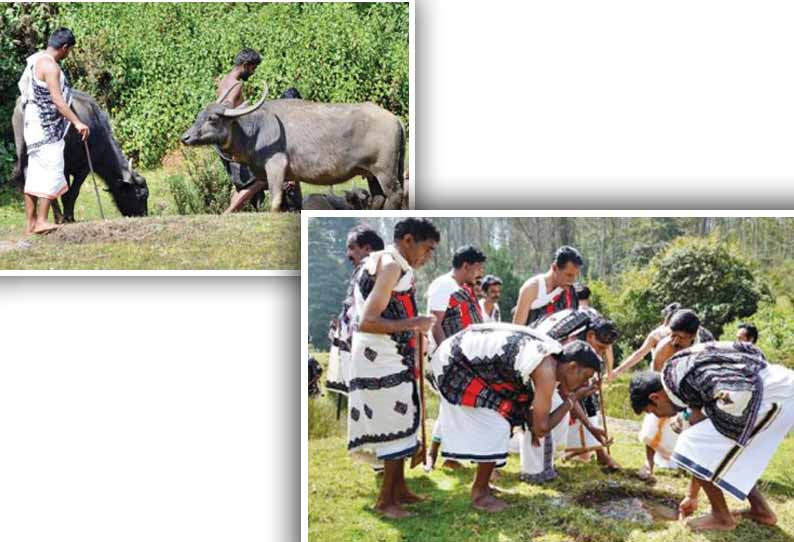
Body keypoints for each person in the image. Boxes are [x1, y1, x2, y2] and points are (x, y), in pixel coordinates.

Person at [430, 323, 601, 512]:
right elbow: (541, 428)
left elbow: (547, 402)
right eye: (585, 377)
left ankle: (484, 485)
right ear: (572, 367)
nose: (585, 383)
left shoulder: (554, 356)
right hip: (455, 362)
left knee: (504, 416)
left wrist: (582, 416)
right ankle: (479, 494)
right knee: (497, 425)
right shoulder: (546, 369)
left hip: (466, 356)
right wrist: (574, 398)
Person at [630, 341, 794, 531]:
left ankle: (722, 517)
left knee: (690, 442)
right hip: (776, 387)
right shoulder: (678, 374)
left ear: (655, 398)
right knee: (708, 445)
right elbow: (747, 349)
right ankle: (761, 511)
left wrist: (700, 417)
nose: (658, 417)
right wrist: (692, 495)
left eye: (651, 411)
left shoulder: (685, 379)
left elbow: (738, 392)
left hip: (773, 396)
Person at [347, 218, 439, 519]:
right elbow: (367, 320)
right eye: (427, 249)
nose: (428, 257)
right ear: (409, 240)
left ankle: (399, 489)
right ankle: (385, 501)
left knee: (402, 417)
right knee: (392, 421)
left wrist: (413, 323)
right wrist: (414, 323)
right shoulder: (390, 266)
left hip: (388, 352)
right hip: (379, 354)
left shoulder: (388, 262)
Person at [518, 310, 620, 482]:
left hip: (542, 386)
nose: (600, 353)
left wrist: (589, 425)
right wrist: (570, 400)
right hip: (529, 382)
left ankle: (545, 466)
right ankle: (534, 472)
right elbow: (566, 397)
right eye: (600, 348)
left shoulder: (573, 360)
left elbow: (567, 393)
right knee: (544, 420)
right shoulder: (564, 348)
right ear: (590, 335)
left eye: (605, 350)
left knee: (554, 416)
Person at [18, 27, 90, 235]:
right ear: (64, 47)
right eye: (70, 50)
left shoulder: (36, 61)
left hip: (32, 126)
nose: (69, 55)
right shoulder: (51, 67)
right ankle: (41, 221)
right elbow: (58, 101)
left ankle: (30, 224)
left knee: (34, 175)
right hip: (46, 128)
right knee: (53, 170)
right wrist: (77, 122)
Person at [425, 245, 487, 469]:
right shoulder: (443, 286)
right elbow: (435, 324)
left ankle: (446, 457)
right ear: (466, 266)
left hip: (467, 358)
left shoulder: (465, 289)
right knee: (455, 405)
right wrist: (447, 357)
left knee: (454, 406)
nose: (479, 274)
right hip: (448, 358)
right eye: (477, 268)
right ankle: (446, 456)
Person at [637, 309, 712, 481]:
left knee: (688, 427)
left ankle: (685, 466)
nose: (675, 340)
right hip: (665, 387)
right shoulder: (665, 347)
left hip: (693, 388)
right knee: (656, 422)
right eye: (673, 334)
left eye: (681, 337)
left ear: (693, 336)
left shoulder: (705, 344)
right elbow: (656, 379)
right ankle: (648, 464)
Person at [326, 225, 385, 395]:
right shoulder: (364, 271)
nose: (348, 255)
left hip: (371, 357)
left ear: (367, 249)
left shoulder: (374, 271)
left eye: (352, 248)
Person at [216, 48, 268, 214]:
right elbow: (227, 108)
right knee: (260, 179)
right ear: (245, 65)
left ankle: (238, 213)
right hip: (232, 141)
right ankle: (228, 213)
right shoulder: (236, 85)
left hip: (224, 139)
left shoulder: (224, 80)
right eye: (253, 68)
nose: (253, 72)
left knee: (242, 183)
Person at [513, 246, 582, 326]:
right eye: (569, 275)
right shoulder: (531, 288)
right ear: (554, 268)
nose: (572, 280)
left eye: (575, 275)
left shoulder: (571, 292)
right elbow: (517, 328)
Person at [610, 302, 681, 381]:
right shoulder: (659, 334)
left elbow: (639, 354)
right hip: (662, 378)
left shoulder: (658, 334)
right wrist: (618, 370)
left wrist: (617, 371)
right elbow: (639, 354)